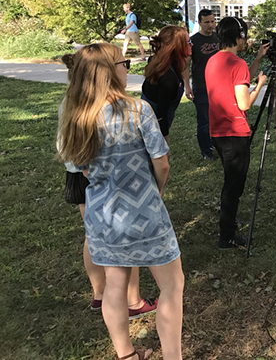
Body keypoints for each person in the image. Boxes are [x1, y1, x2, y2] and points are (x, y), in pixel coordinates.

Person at [57, 43, 184, 360]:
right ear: (108, 70)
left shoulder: (77, 117)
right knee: (172, 285)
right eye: (124, 62)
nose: (128, 67)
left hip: (103, 217)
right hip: (146, 211)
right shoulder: (138, 109)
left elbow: (78, 168)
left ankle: (125, 355)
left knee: (114, 286)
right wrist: (156, 190)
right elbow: (162, 162)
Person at [60, 54, 157, 320]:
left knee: (93, 236)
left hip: (78, 173)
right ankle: (133, 300)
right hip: (97, 173)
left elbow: (65, 146)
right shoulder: (101, 106)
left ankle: (100, 295)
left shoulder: (71, 103)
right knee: (126, 233)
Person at [205, 17, 267, 249]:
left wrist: (258, 58)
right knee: (233, 186)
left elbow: (238, 80)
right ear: (238, 36)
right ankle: (227, 236)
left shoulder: (214, 61)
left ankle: (228, 222)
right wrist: (260, 85)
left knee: (230, 182)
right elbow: (244, 104)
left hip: (218, 132)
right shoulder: (237, 62)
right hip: (235, 132)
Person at [141, 26, 192, 149]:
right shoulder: (167, 78)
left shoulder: (160, 62)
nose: (192, 44)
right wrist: (164, 145)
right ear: (177, 47)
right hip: (151, 129)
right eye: (188, 42)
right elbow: (160, 116)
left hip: (149, 122)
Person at [187, 10, 220, 159]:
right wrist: (187, 86)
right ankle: (205, 151)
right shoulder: (193, 41)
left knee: (217, 117)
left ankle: (215, 143)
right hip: (201, 86)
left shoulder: (218, 38)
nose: (210, 25)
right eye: (207, 22)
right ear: (199, 23)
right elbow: (185, 65)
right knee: (204, 120)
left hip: (219, 85)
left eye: (212, 21)